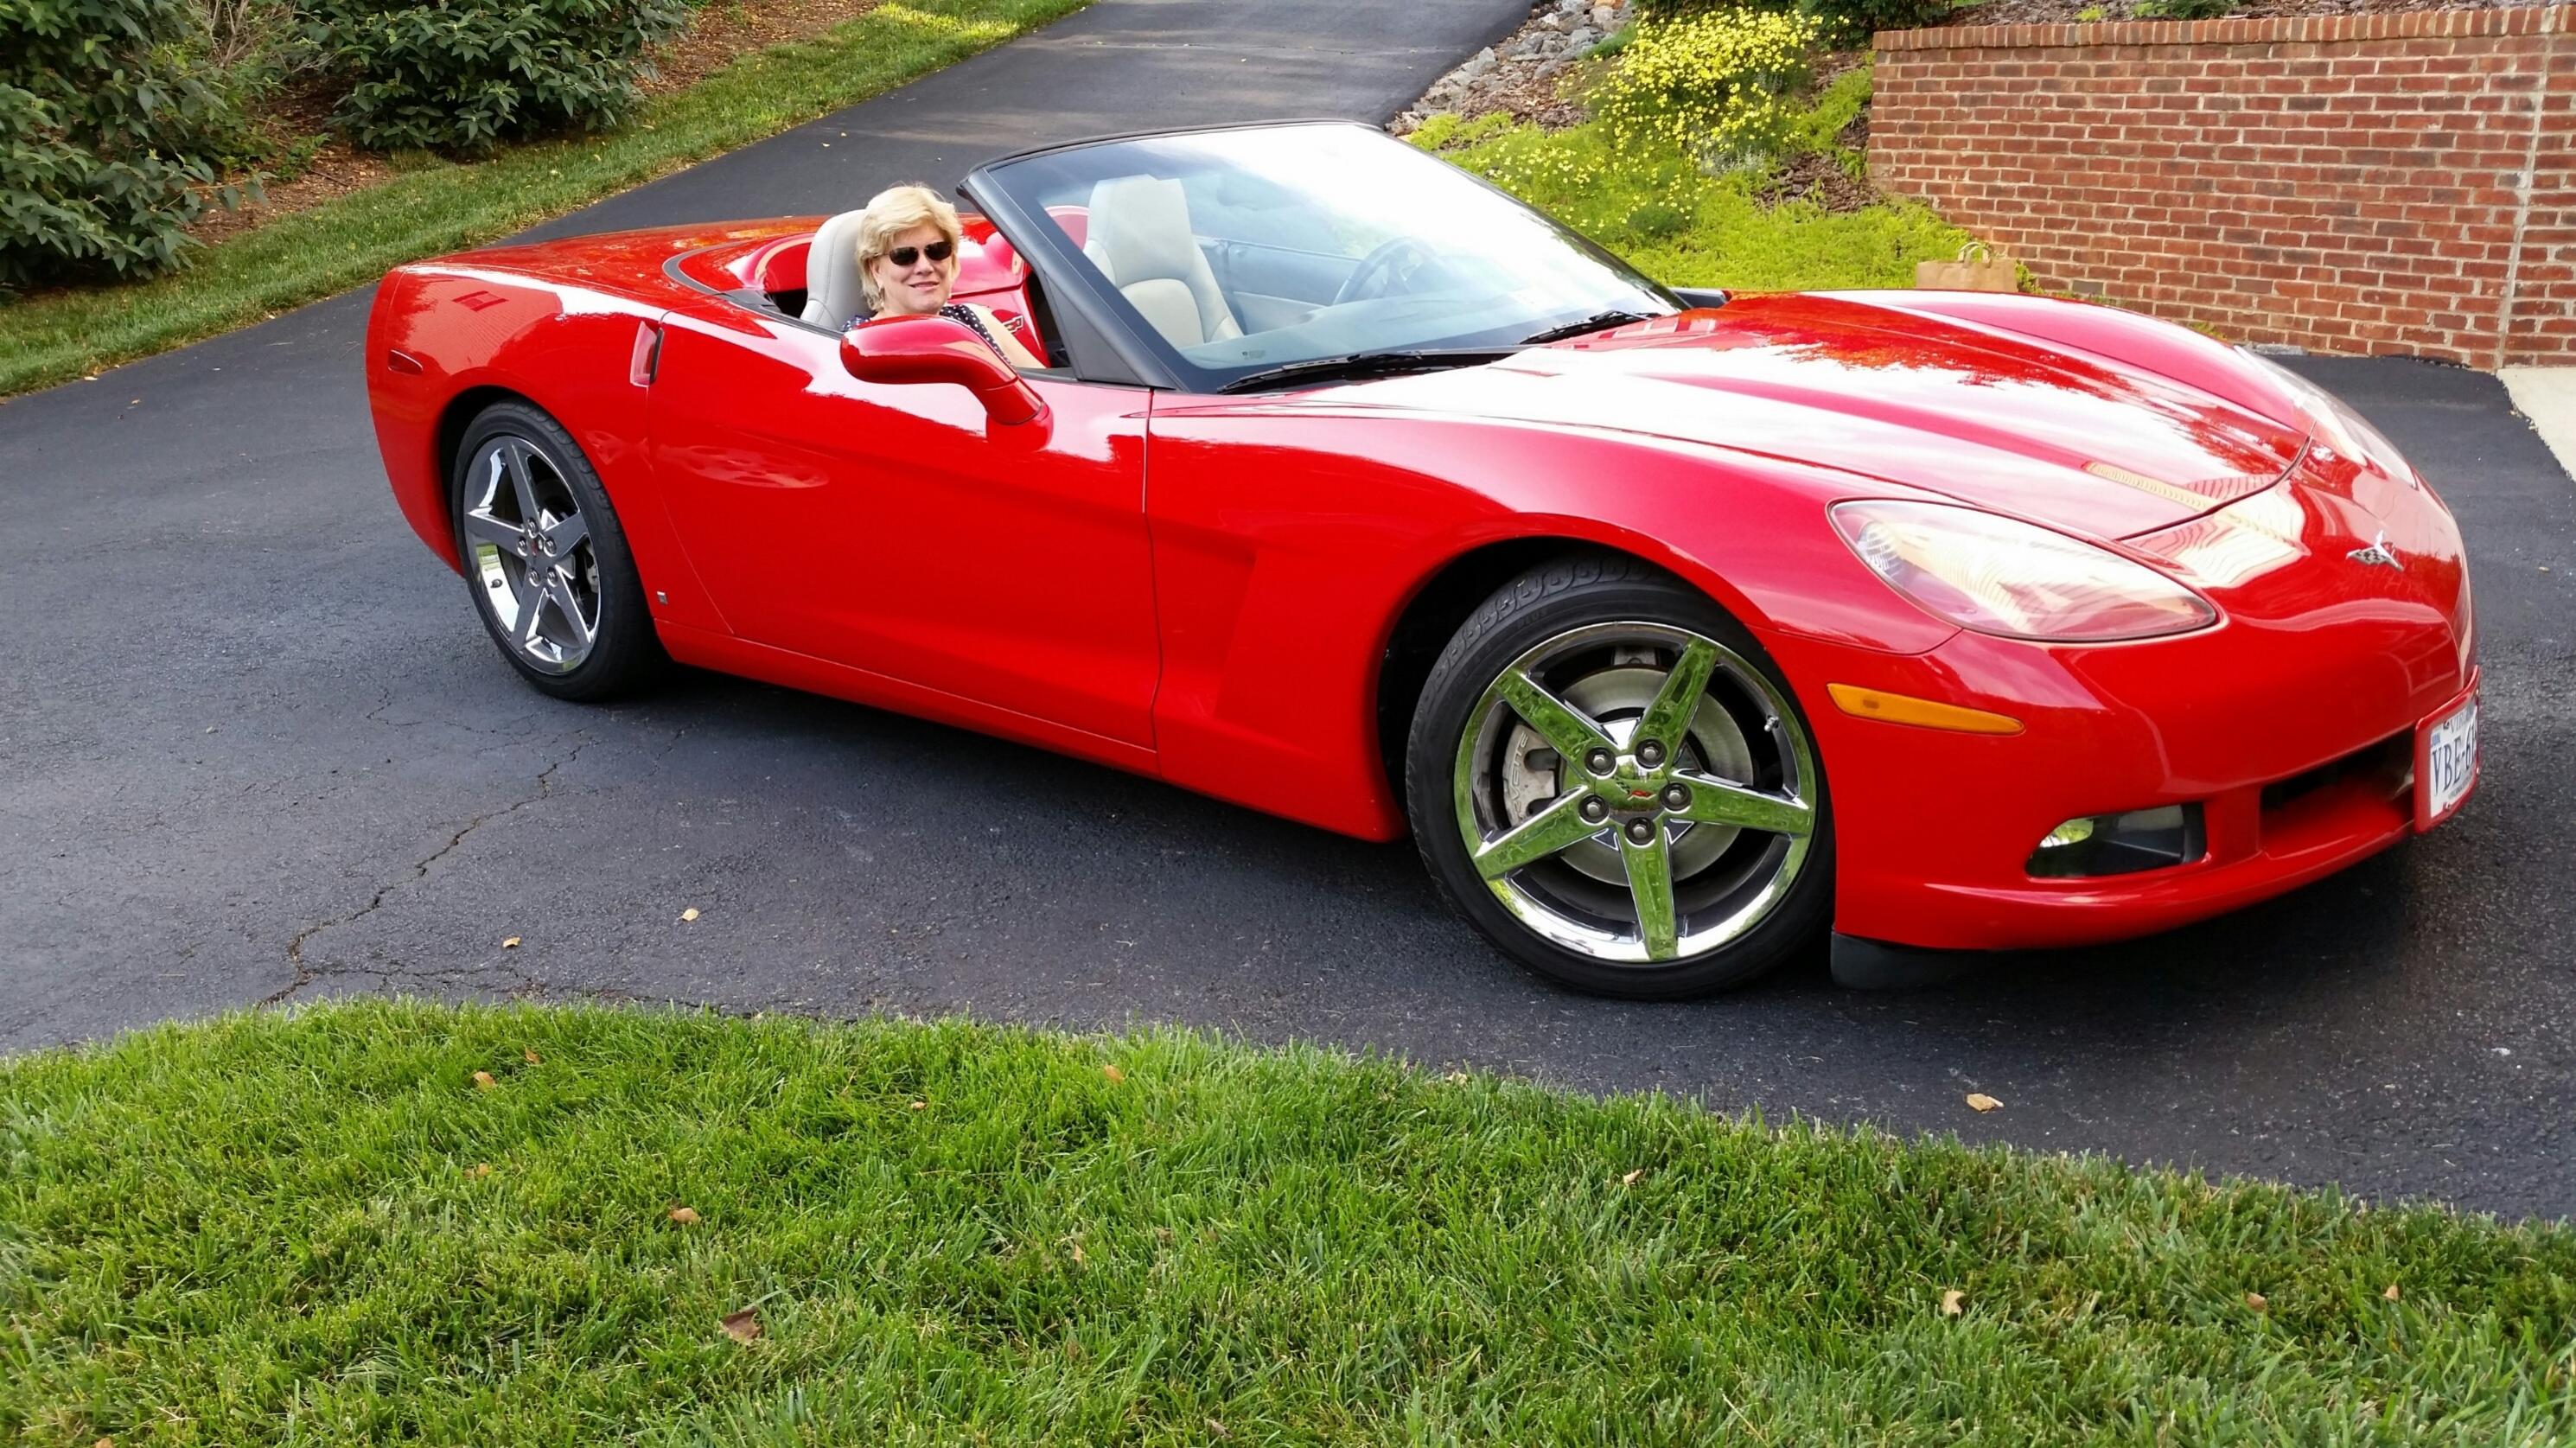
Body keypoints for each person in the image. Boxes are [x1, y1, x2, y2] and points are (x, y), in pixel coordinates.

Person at [854, 183, 1043, 368]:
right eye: (904, 256)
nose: (925, 267)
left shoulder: (975, 319)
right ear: (876, 269)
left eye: (937, 250)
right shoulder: (858, 344)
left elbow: (1048, 392)